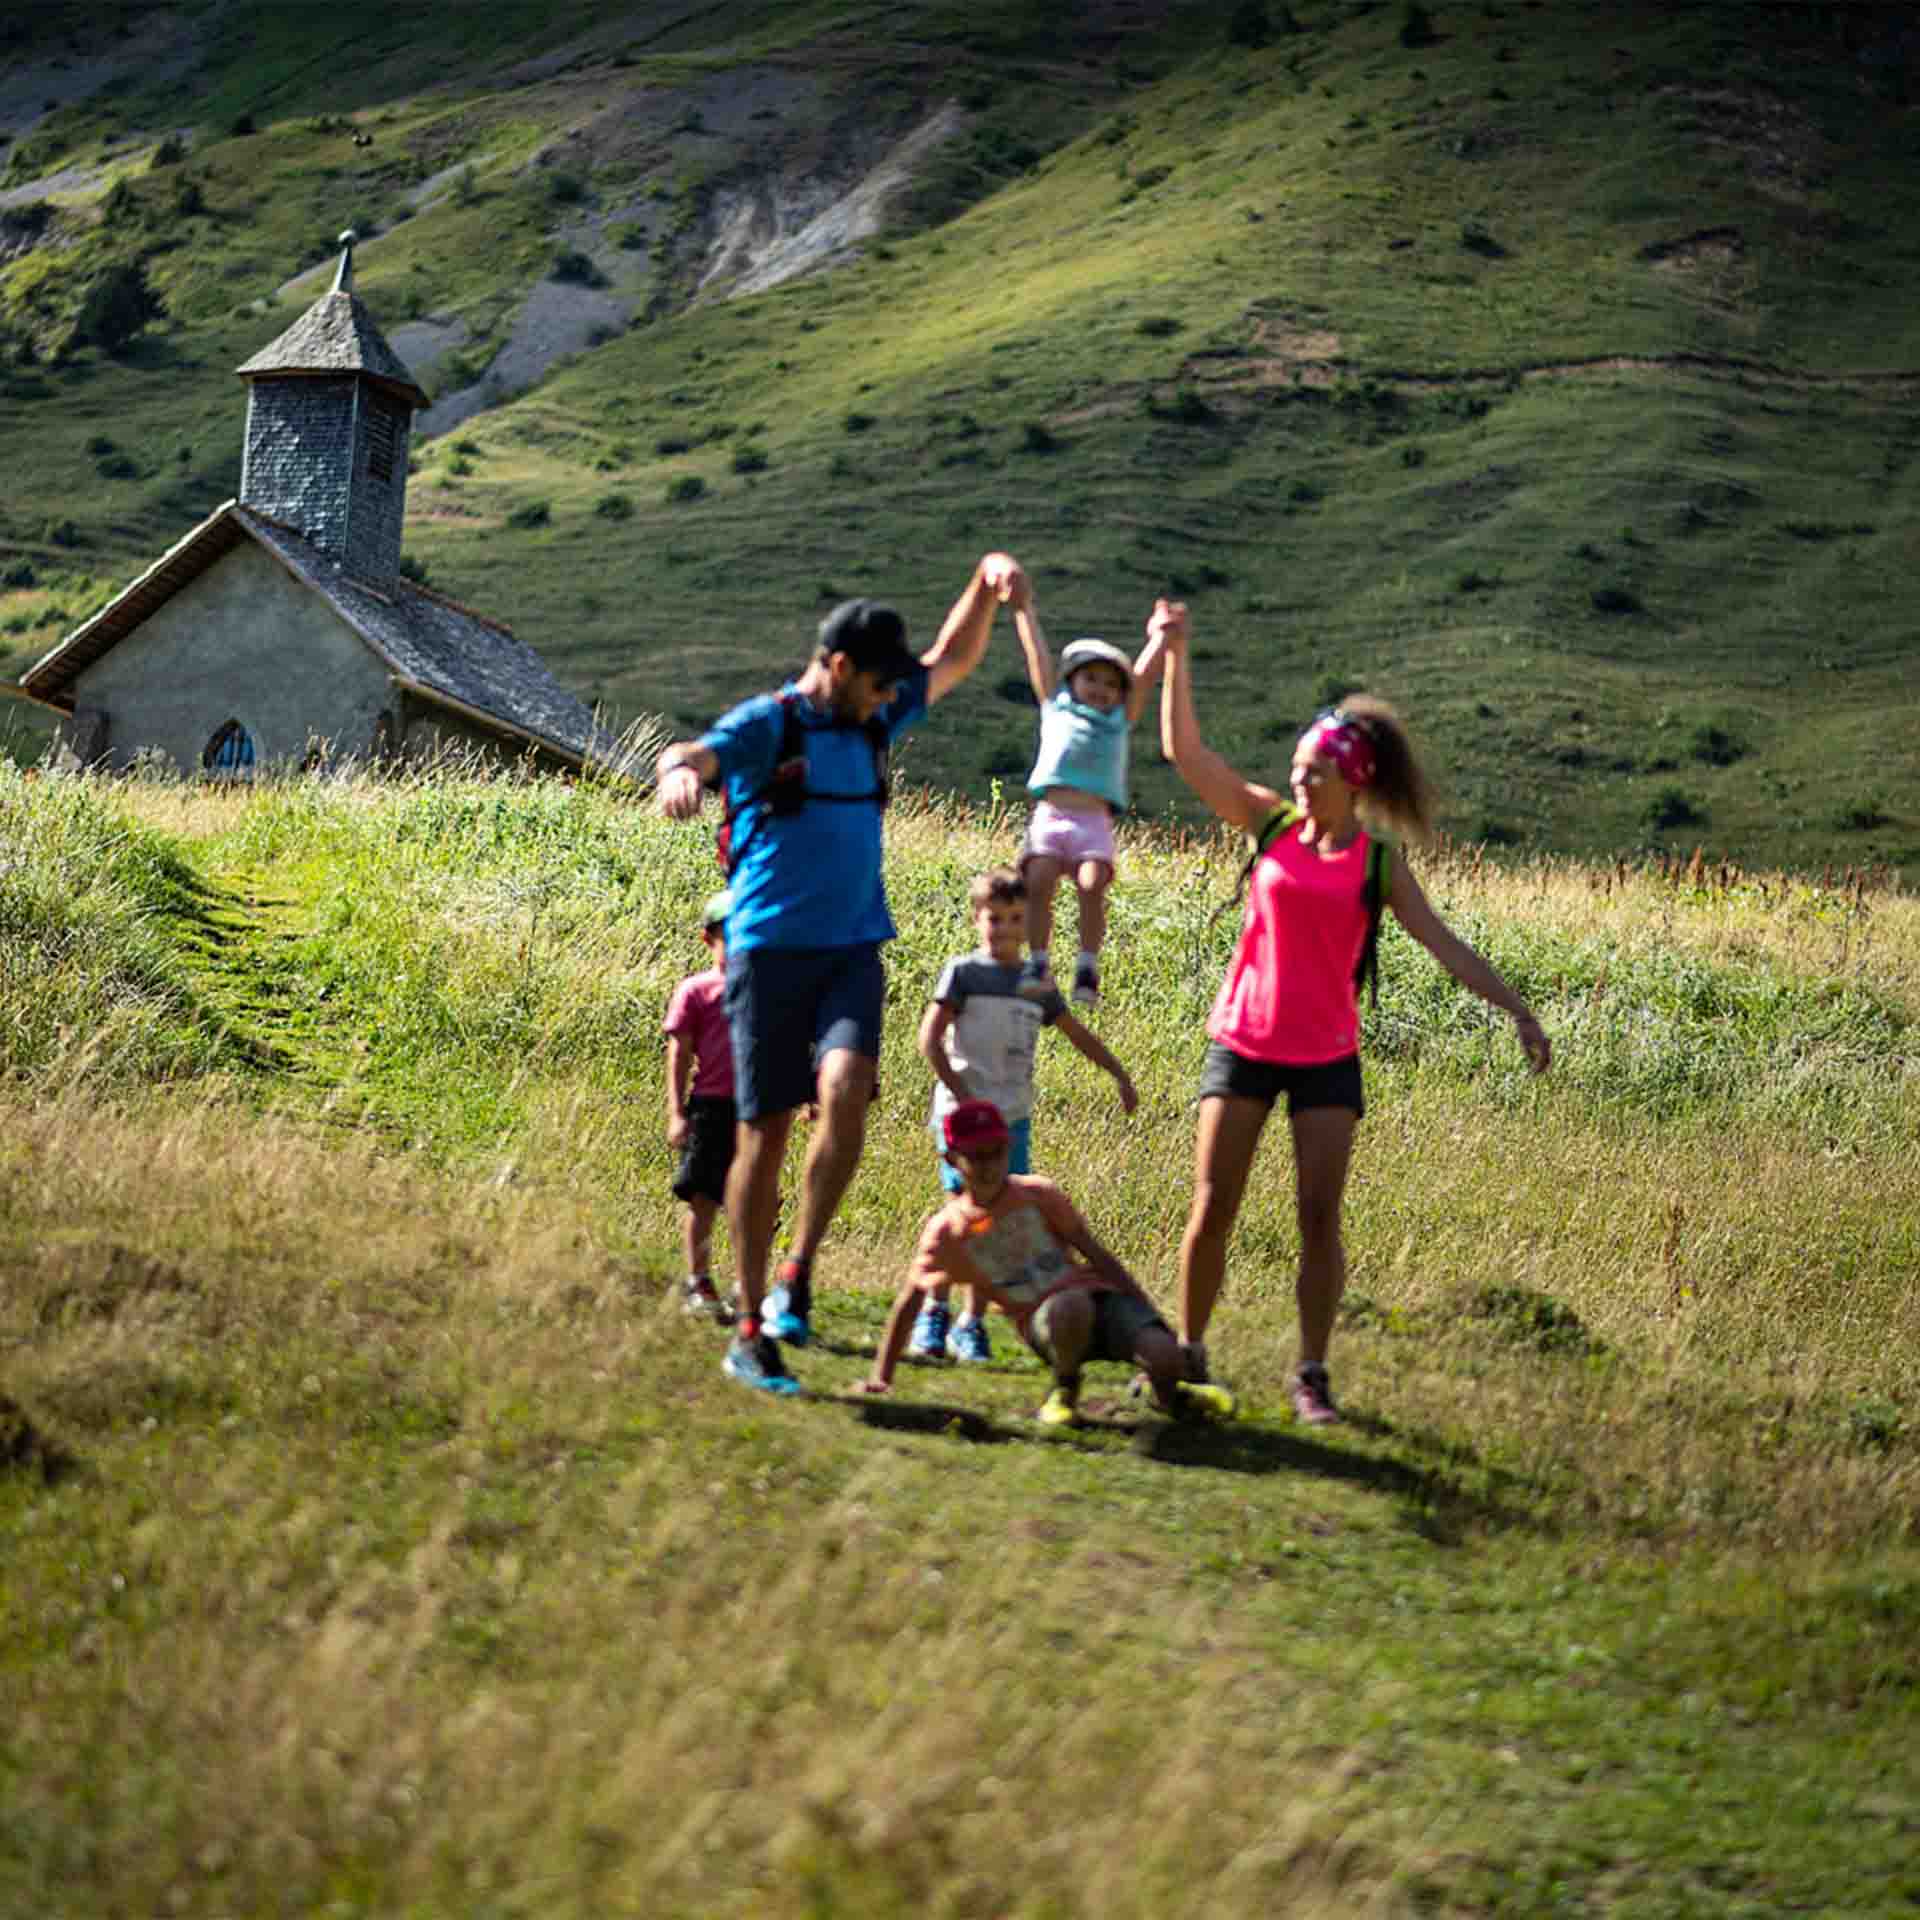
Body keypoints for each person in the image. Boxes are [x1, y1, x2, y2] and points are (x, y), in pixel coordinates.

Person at [1151, 597, 1551, 1425]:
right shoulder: (1268, 826)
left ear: (1353, 780)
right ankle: (1188, 1354)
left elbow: (1447, 946)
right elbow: (1186, 753)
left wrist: (1517, 1009)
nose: (1300, 778)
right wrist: (1179, 655)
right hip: (1243, 1044)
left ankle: (1311, 1374)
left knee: (1319, 1219)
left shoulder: (1378, 864)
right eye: (1298, 766)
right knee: (1212, 1207)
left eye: (1315, 770)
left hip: (1327, 1054)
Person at [655, 555, 1025, 1395]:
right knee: (766, 1135)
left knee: (851, 1087)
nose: (891, 697)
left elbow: (954, 660)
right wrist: (678, 775)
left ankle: (797, 1274)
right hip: (768, 952)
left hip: (853, 949)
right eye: (877, 683)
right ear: (841, 668)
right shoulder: (769, 724)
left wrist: (982, 581)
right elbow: (694, 753)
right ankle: (751, 1327)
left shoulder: (871, 720)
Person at [862, 1099, 1235, 1427]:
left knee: (1163, 1355)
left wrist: (1151, 1317)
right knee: (1068, 1305)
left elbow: (1097, 1255)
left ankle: (1169, 1395)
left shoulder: (1038, 1194)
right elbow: (910, 1302)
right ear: (951, 1158)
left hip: (1099, 1302)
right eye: (976, 1155)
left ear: (1009, 1147)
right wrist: (882, 1376)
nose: (989, 1165)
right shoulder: (948, 1232)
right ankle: (1065, 1388)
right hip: (1047, 1320)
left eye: (996, 1152)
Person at [910, 866, 1138, 1365]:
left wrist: (1117, 1072)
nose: (1005, 929)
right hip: (962, 1120)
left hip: (1011, 1119)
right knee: (963, 1215)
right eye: (994, 918)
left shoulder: (1035, 983)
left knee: (998, 1218)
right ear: (977, 919)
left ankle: (972, 1323)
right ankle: (934, 1312)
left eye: (1016, 918)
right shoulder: (963, 973)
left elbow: (1073, 1031)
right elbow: (930, 1038)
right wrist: (961, 1094)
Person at [1010, 573, 1167, 1006]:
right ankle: (1037, 962)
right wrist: (1025, 609)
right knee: (1038, 880)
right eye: (1091, 679)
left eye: (1110, 684)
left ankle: (1086, 967)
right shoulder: (1054, 707)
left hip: (1093, 820)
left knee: (1092, 882)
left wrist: (1160, 636)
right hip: (1051, 814)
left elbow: (1146, 677)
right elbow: (1036, 656)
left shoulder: (1119, 720)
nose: (1100, 689)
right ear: (1072, 681)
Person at [662, 890, 737, 1323]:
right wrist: (677, 1113)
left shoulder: (765, 989)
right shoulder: (696, 990)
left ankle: (749, 1282)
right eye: (730, 935)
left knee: (755, 1198)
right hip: (710, 1107)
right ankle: (698, 1278)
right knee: (703, 1197)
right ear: (708, 939)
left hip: (755, 1109)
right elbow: (679, 1053)